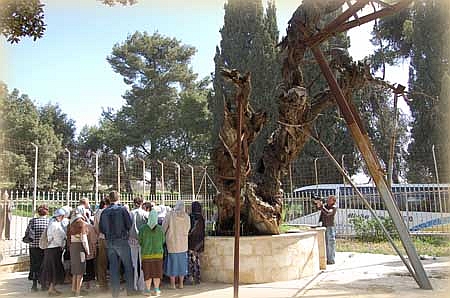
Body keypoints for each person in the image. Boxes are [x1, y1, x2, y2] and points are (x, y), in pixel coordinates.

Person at [99, 191, 139, 297]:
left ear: (109, 199)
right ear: (119, 198)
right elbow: (129, 224)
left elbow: (101, 229)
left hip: (109, 241)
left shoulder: (104, 212)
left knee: (113, 267)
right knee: (128, 266)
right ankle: (130, 290)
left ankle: (115, 293)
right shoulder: (122, 210)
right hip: (121, 240)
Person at [162, 200, 190, 289]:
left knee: (172, 264)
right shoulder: (187, 217)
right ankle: (181, 284)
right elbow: (188, 229)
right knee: (182, 264)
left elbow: (163, 228)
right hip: (183, 244)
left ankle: (173, 284)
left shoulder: (169, 215)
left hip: (172, 244)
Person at [40, 208, 67, 296]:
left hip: (51, 250)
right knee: (53, 270)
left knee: (52, 270)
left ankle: (52, 288)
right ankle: (51, 289)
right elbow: (58, 238)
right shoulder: (55, 225)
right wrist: (62, 245)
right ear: (60, 216)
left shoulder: (53, 223)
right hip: (54, 250)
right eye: (62, 216)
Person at [139, 209, 165, 296]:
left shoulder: (142, 229)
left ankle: (147, 290)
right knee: (157, 273)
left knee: (148, 273)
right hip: (158, 255)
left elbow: (140, 241)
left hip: (146, 255)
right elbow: (163, 241)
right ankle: (157, 290)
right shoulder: (160, 229)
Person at [26, 204, 50, 291]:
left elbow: (27, 232)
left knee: (34, 265)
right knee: (43, 265)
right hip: (44, 246)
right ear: (47, 212)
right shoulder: (48, 222)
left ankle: (34, 285)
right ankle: (43, 285)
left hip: (33, 246)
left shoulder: (32, 221)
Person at [67, 212, 90, 296]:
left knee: (74, 271)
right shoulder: (82, 225)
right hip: (80, 247)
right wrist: (87, 250)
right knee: (80, 271)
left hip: (73, 247)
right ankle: (78, 292)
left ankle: (73, 289)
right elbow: (84, 239)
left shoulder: (70, 226)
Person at [129, 197, 148, 292]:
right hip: (142, 240)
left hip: (132, 240)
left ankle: (134, 285)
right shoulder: (145, 213)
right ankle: (142, 285)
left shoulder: (130, 213)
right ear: (141, 203)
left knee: (133, 263)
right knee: (142, 263)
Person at [187, 201, 205, 285]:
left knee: (191, 260)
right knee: (197, 259)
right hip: (200, 242)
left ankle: (192, 277)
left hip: (191, 241)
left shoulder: (191, 216)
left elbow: (189, 228)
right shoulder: (201, 217)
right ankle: (198, 277)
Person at [94, 197, 110, 290]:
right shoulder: (110, 211)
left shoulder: (97, 213)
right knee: (114, 261)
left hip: (101, 238)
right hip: (112, 239)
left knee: (102, 263)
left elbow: (95, 226)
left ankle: (103, 284)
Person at [317, 195, 337, 265]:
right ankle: (327, 259)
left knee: (330, 243)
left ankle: (331, 260)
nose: (328, 200)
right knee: (325, 243)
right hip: (324, 226)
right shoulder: (326, 205)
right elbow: (319, 208)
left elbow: (328, 213)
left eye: (330, 199)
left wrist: (322, 206)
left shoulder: (334, 207)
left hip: (330, 226)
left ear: (333, 201)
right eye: (328, 199)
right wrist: (318, 203)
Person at [84, 210, 98, 290]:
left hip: (79, 251)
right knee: (89, 267)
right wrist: (95, 250)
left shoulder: (74, 225)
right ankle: (88, 284)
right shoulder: (89, 226)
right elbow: (93, 241)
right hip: (89, 251)